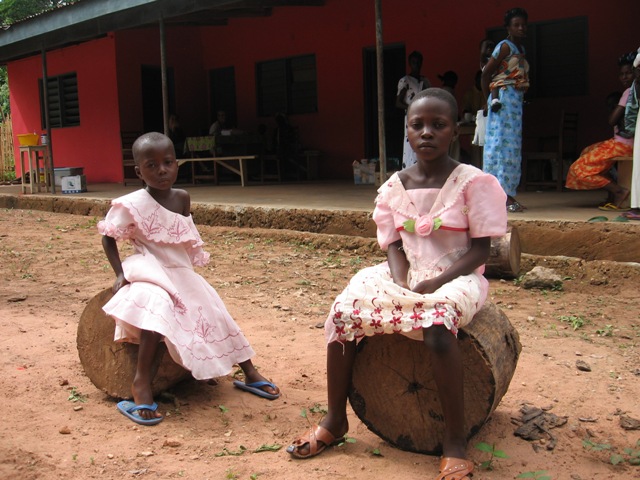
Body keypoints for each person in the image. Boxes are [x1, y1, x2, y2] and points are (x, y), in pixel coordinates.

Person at [286, 88, 507, 480]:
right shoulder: (393, 187)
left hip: (457, 275)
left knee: (437, 324)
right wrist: (402, 283)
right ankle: (336, 419)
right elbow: (394, 247)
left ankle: (454, 441)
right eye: (417, 125)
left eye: (437, 125)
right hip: (406, 275)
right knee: (343, 314)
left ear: (454, 131)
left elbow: (479, 252)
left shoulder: (474, 183)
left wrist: (436, 281)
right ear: (406, 132)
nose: (426, 133)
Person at [98, 132, 280, 425]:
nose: (162, 171)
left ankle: (248, 371)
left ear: (177, 164)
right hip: (148, 266)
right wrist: (119, 273)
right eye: (152, 165)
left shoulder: (182, 198)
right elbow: (108, 237)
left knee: (213, 307)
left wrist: (188, 278)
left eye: (168, 163)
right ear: (138, 171)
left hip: (179, 269)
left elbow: (182, 238)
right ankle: (140, 383)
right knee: (158, 307)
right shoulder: (130, 203)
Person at [565, 51, 638, 210]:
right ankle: (611, 193)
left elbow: (611, 120)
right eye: (622, 74)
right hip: (624, 142)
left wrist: (617, 106)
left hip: (625, 145)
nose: (625, 77)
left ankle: (618, 190)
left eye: (629, 73)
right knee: (587, 151)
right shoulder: (632, 91)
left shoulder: (630, 92)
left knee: (578, 169)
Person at [482, 7, 530, 213]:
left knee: (513, 150)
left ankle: (507, 194)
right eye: (516, 25)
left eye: (523, 24)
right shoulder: (504, 47)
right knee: (501, 148)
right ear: (508, 28)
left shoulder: (521, 49)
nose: (521, 28)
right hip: (501, 102)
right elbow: (486, 73)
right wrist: (487, 100)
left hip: (515, 104)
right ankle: (502, 196)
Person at [396, 50, 431, 169]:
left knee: (424, 141)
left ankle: (423, 170)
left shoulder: (425, 81)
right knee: (411, 144)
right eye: (413, 62)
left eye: (418, 62)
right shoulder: (405, 81)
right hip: (411, 117)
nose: (416, 64)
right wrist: (412, 107)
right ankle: (410, 170)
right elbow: (398, 103)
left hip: (425, 117)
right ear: (409, 63)